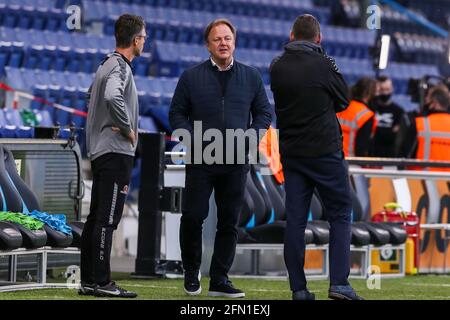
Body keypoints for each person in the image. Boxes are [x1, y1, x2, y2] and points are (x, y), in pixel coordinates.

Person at [169, 18, 272, 298]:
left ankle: (219, 279)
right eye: (217, 39)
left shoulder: (251, 76)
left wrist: (251, 137)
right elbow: (176, 114)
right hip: (201, 159)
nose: (223, 43)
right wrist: (191, 139)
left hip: (236, 161)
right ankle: (191, 271)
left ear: (234, 42)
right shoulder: (191, 77)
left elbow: (264, 113)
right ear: (208, 45)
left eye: (227, 38)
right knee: (192, 217)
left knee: (229, 222)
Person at [270, 14, 363, 300]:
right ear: (318, 38)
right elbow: (345, 100)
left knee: (296, 219)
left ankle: (299, 289)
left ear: (291, 35)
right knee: (339, 213)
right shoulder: (324, 64)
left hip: (292, 153)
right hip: (324, 151)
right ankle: (339, 284)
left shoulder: (277, 66)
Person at [80, 14, 146, 298]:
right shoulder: (119, 66)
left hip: (100, 150)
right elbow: (110, 96)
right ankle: (103, 282)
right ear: (135, 40)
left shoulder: (105, 64)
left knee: (96, 217)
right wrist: (128, 128)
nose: (144, 42)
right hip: (115, 151)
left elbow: (90, 95)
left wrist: (105, 123)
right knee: (108, 218)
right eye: (143, 37)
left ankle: (88, 280)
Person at [396, 85, 450, 171]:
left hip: (420, 181)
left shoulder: (419, 124)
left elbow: (403, 156)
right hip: (447, 180)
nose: (425, 102)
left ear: (434, 103)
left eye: (427, 99)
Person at [337, 77, 377, 157]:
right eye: (376, 91)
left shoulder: (342, 107)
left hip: (334, 157)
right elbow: (361, 148)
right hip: (351, 161)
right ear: (369, 93)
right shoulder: (366, 115)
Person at [371, 76, 404, 157]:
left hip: (389, 156)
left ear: (392, 89)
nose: (385, 93)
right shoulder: (370, 107)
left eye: (387, 89)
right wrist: (390, 131)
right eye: (382, 90)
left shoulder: (399, 111)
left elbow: (397, 137)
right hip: (370, 154)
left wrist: (376, 132)